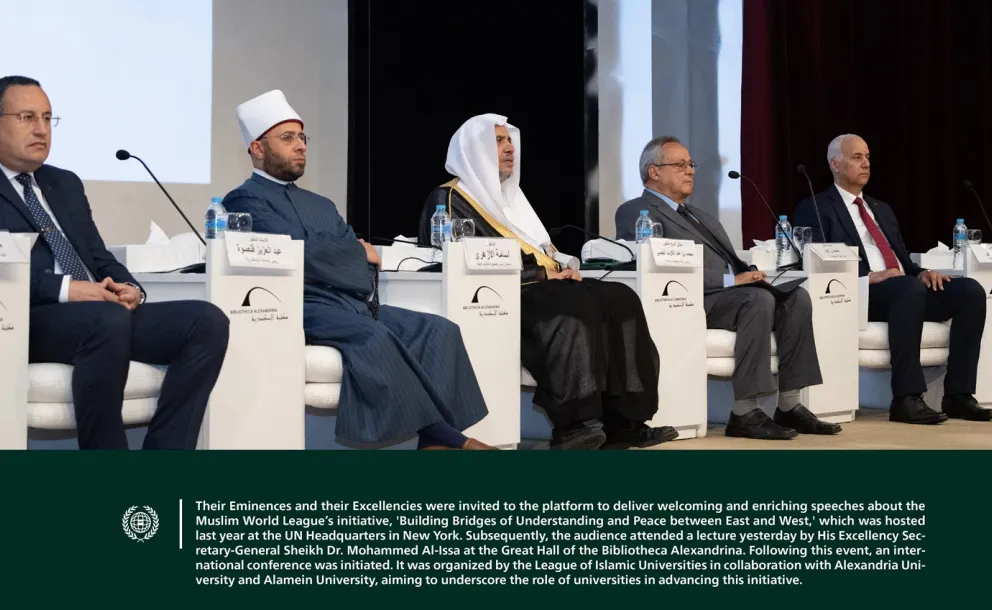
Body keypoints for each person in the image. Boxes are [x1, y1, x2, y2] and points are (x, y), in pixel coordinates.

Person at [223, 90, 491, 450]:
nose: (300, 146)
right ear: (257, 148)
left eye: (302, 137)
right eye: (287, 138)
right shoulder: (243, 199)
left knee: (438, 329)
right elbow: (294, 252)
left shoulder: (321, 203)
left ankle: (434, 442)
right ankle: (449, 440)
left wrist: (344, 254)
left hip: (350, 301)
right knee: (373, 336)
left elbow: (345, 250)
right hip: (299, 306)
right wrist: (350, 254)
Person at [419, 114, 677, 450]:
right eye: (498, 142)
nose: (510, 148)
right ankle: (574, 424)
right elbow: (462, 259)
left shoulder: (513, 198)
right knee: (572, 303)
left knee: (620, 297)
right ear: (473, 150)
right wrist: (542, 274)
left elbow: (542, 249)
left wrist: (564, 266)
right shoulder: (448, 199)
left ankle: (624, 421)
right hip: (502, 295)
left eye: (510, 141)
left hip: (544, 285)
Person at [0, 76, 230, 449]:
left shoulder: (64, 183)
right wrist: (68, 290)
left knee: (206, 321)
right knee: (106, 320)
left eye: (47, 118)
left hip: (103, 316)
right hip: (26, 319)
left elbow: (97, 256)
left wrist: (130, 289)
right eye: (27, 117)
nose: (41, 129)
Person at [616, 136, 838, 440]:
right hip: (686, 299)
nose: (690, 171)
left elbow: (732, 263)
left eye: (691, 164)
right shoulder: (636, 211)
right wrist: (730, 281)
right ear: (654, 172)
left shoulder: (700, 215)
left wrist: (758, 275)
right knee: (755, 299)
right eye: (680, 165)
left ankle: (789, 405)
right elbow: (658, 267)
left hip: (729, 294)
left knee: (797, 297)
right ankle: (745, 412)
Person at [794, 134, 990, 423]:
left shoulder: (881, 209)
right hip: (862, 291)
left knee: (970, 292)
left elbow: (903, 261)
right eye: (857, 157)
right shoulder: (816, 207)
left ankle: (958, 395)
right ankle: (906, 397)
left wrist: (923, 273)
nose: (866, 164)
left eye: (868, 157)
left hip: (904, 288)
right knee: (906, 289)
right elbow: (819, 260)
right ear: (835, 163)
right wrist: (870, 277)